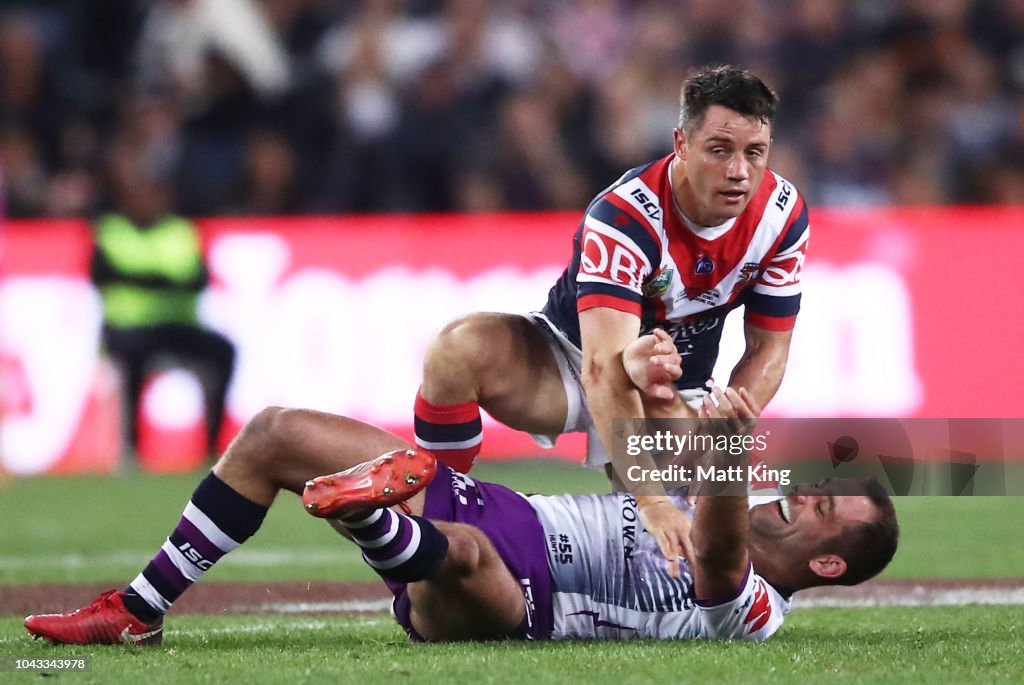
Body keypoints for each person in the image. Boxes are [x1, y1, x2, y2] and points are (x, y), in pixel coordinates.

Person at [24, 370, 898, 646]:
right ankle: (137, 610)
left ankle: (371, 516)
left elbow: (716, 557)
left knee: (465, 554)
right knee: (273, 430)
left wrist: (718, 455)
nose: (807, 490)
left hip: (522, 599)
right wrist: (659, 381)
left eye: (826, 507)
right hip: (505, 506)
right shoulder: (733, 487)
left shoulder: (759, 614)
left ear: (828, 563)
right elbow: (638, 444)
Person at [413, 65, 809, 572]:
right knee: (457, 348)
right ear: (681, 145)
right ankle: (440, 517)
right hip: (569, 363)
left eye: (755, 153)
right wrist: (652, 500)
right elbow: (604, 368)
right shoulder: (626, 217)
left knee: (714, 558)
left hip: (672, 393)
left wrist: (725, 432)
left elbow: (768, 352)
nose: (739, 171)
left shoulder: (782, 215)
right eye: (719, 149)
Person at [91, 167, 236, 462]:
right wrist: (164, 281)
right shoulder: (111, 232)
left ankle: (212, 448)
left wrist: (141, 278)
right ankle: (131, 449)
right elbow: (103, 276)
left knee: (223, 352)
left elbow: (198, 279)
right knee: (131, 358)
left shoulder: (179, 230)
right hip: (129, 329)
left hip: (177, 326)